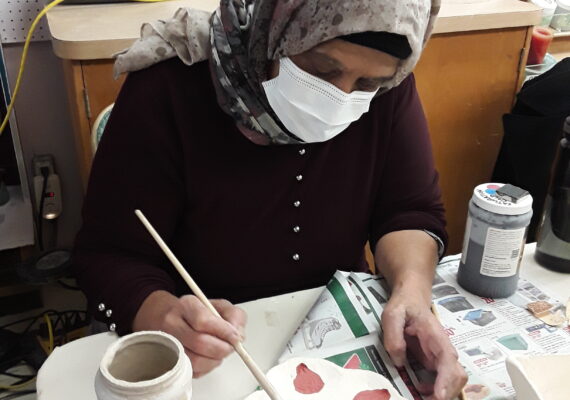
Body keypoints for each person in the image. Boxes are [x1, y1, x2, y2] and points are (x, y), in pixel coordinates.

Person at [73, 0, 467, 398]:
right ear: (275, 28)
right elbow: (108, 253)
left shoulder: (390, 89)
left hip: (331, 331)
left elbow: (408, 211)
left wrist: (412, 291)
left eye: (366, 84)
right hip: (207, 352)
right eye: (321, 68)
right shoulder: (170, 86)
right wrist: (159, 312)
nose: (339, 97)